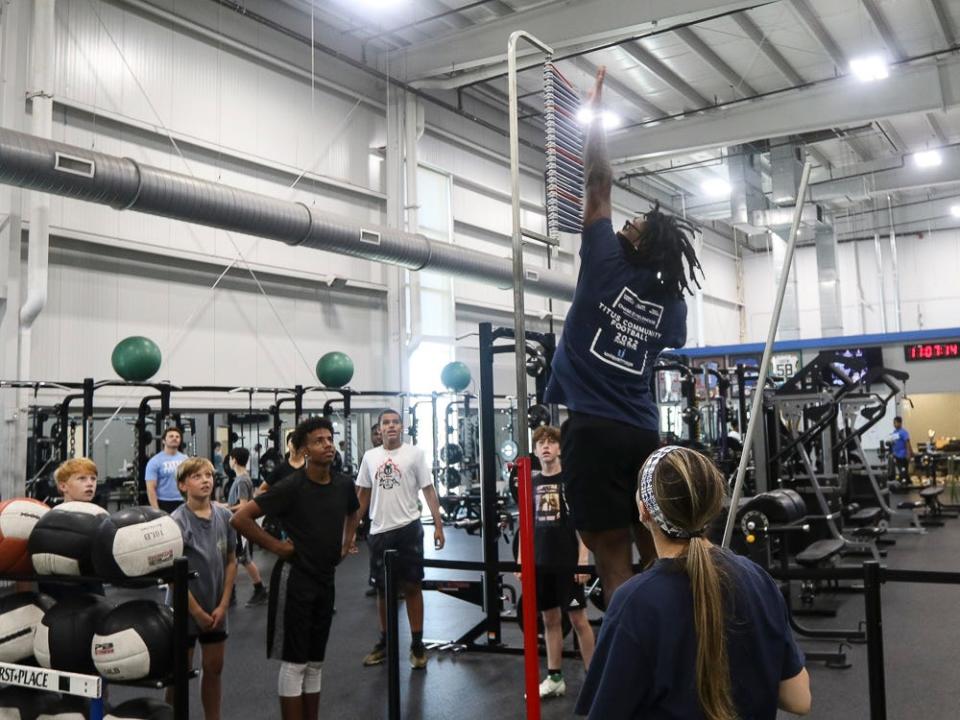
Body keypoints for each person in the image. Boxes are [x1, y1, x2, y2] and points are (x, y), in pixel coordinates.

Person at [543, 66, 699, 600]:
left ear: (637, 239)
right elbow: (673, 341)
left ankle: (629, 658)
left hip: (591, 430)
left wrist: (596, 113)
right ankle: (675, 642)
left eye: (633, 222)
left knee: (611, 560)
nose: (626, 221)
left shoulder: (604, 257)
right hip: (640, 432)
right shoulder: (669, 298)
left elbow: (597, 180)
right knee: (655, 547)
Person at [575, 446, 811, 719]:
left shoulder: (635, 602)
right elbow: (798, 699)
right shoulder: (757, 579)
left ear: (643, 511)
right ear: (712, 507)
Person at [231, 417, 360, 720]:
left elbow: (353, 512)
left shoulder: (342, 483)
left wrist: (346, 542)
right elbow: (240, 519)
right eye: (319, 441)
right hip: (295, 580)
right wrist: (277, 547)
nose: (328, 444)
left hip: (325, 579)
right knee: (295, 663)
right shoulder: (291, 486)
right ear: (304, 450)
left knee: (315, 662)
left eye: (330, 439)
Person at [355, 409, 445, 670]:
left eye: (395, 422)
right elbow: (363, 496)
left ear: (401, 428)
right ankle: (385, 643)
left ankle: (417, 644)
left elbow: (428, 490)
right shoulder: (370, 457)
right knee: (383, 591)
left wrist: (439, 526)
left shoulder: (414, 454)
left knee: (412, 587)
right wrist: (349, 534)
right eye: (386, 423)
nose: (391, 426)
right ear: (379, 430)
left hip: (408, 528)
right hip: (379, 531)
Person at [515, 426, 595, 699]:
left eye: (551, 442)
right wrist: (520, 560)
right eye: (540, 443)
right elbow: (525, 524)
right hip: (541, 564)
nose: (545, 446)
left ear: (560, 448)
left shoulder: (569, 481)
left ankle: (595, 680)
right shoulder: (532, 483)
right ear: (535, 451)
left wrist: (583, 558)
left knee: (578, 619)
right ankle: (555, 677)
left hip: (568, 565)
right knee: (549, 619)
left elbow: (583, 522)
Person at [166, 457, 237, 720]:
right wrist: (196, 612)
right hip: (185, 608)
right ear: (183, 485)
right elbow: (172, 575)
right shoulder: (176, 522)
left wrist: (223, 604)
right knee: (178, 673)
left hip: (216, 606)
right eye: (197, 476)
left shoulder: (225, 516)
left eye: (208, 475)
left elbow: (231, 561)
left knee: (214, 668)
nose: (206, 480)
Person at [38, 458, 105, 600]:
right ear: (63, 486)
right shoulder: (47, 519)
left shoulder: (101, 517)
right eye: (81, 478)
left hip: (91, 590)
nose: (90, 483)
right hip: (55, 591)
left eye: (93, 479)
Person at [225, 447, 268, 607]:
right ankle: (233, 593)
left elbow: (243, 506)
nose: (229, 462)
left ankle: (259, 590)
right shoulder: (241, 478)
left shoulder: (242, 480)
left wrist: (224, 508)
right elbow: (235, 504)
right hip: (238, 523)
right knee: (239, 559)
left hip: (240, 524)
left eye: (230, 458)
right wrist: (221, 504)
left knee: (242, 559)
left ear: (234, 460)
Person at [145, 426, 189, 513]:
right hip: (163, 503)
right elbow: (150, 488)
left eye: (177, 437)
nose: (174, 438)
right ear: (163, 441)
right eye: (171, 436)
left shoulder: (185, 459)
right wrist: (156, 511)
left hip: (183, 501)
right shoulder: (155, 461)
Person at [890, 416, 913, 486]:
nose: (894, 424)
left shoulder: (903, 432)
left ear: (900, 423)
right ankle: (908, 482)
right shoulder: (894, 432)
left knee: (903, 470)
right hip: (896, 455)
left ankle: (905, 484)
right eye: (894, 423)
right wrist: (892, 453)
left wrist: (909, 453)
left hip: (903, 455)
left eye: (895, 423)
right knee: (903, 470)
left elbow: (907, 443)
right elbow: (893, 443)